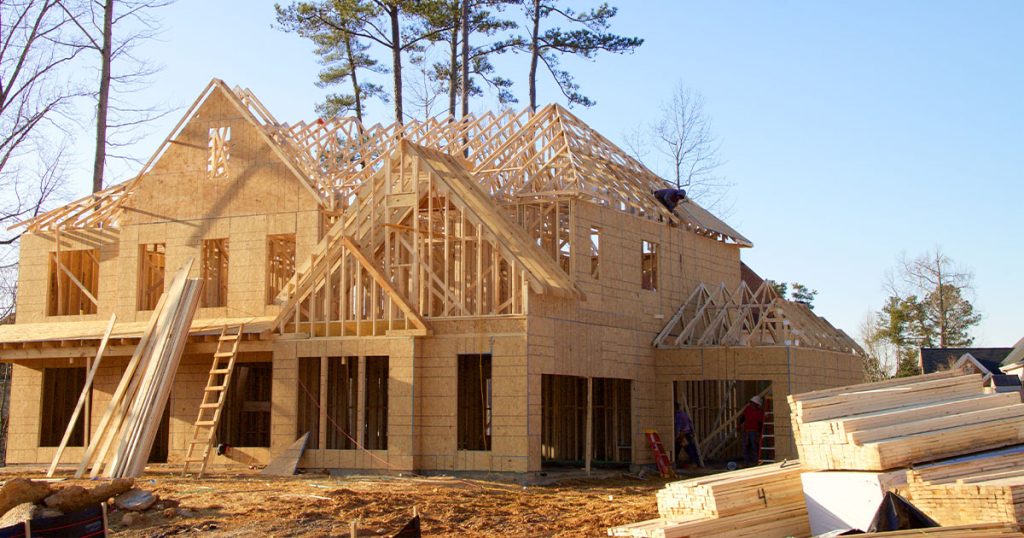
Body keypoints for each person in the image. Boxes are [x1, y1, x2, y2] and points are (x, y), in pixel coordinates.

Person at [739, 395, 766, 466]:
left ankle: (756, 461)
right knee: (745, 446)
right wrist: (739, 425)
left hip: (754, 431)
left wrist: (759, 432)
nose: (752, 404)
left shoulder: (760, 412)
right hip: (747, 430)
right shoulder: (748, 409)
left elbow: (761, 423)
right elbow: (743, 417)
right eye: (751, 403)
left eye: (753, 403)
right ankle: (746, 461)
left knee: (754, 446)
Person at [674, 403, 700, 468]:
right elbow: (690, 422)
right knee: (689, 447)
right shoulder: (684, 414)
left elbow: (678, 425)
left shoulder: (678, 415)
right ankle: (696, 462)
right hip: (688, 433)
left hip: (683, 434)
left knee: (688, 448)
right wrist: (692, 431)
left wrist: (677, 434)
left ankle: (694, 462)